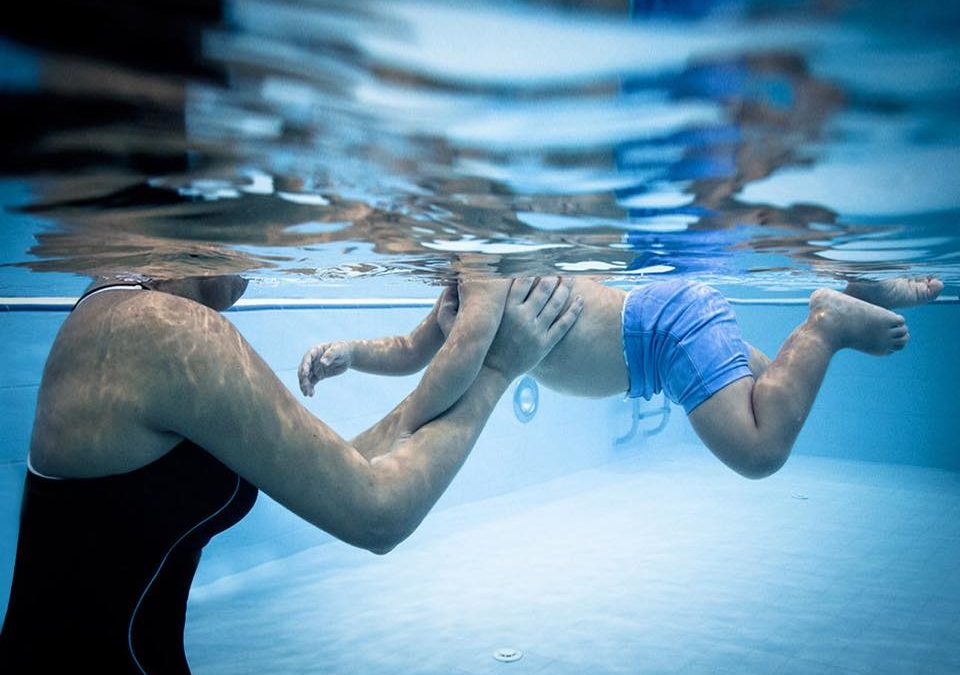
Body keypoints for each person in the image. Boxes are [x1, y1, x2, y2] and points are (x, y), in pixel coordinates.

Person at [0, 273, 583, 674]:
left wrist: (443, 382)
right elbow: (378, 512)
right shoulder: (157, 330)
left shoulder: (118, 310)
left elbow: (338, 469)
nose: (256, 256)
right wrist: (500, 366)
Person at [300, 275, 943, 480]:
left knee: (759, 449)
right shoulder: (465, 280)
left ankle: (827, 320)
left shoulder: (489, 271)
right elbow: (417, 348)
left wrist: (399, 435)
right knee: (777, 390)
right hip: (669, 327)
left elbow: (455, 367)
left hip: (667, 337)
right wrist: (350, 352)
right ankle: (860, 293)